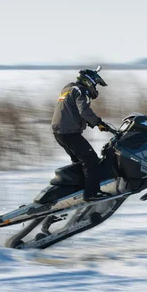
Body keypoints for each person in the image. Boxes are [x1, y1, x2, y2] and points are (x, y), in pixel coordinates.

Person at [51, 67, 113, 202]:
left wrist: (91, 123)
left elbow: (70, 110)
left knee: (79, 162)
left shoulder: (68, 88)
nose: (95, 87)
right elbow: (84, 111)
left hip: (59, 133)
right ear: (89, 81)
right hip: (69, 133)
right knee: (91, 160)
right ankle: (92, 193)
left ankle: (77, 191)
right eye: (95, 84)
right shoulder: (81, 91)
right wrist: (98, 122)